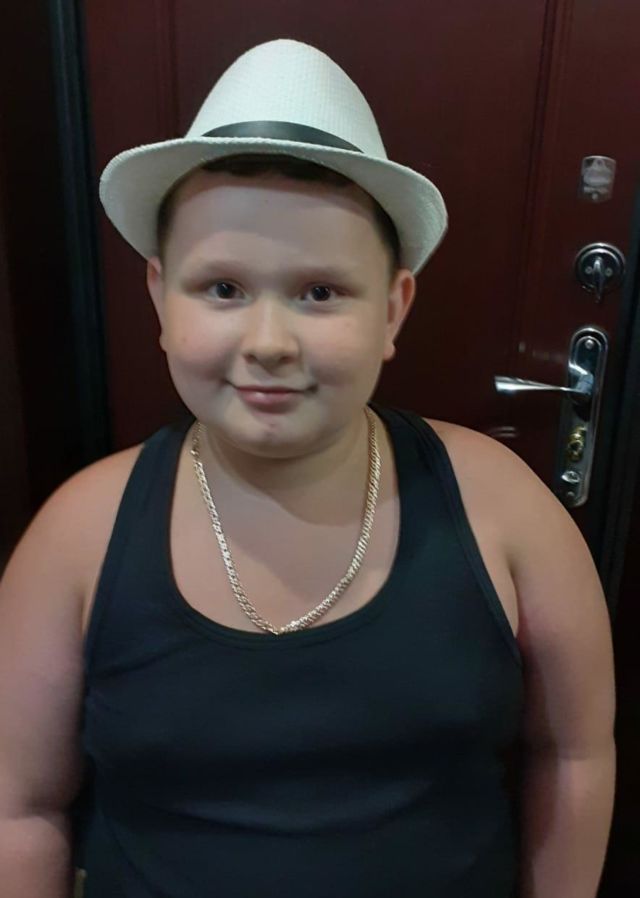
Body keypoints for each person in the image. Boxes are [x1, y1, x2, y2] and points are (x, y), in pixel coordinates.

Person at [0, 37, 616, 898]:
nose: (269, 343)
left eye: (320, 292)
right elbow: (21, 807)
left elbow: (576, 751)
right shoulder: (77, 537)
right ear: (158, 296)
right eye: (222, 289)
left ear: (393, 308)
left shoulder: (502, 508)